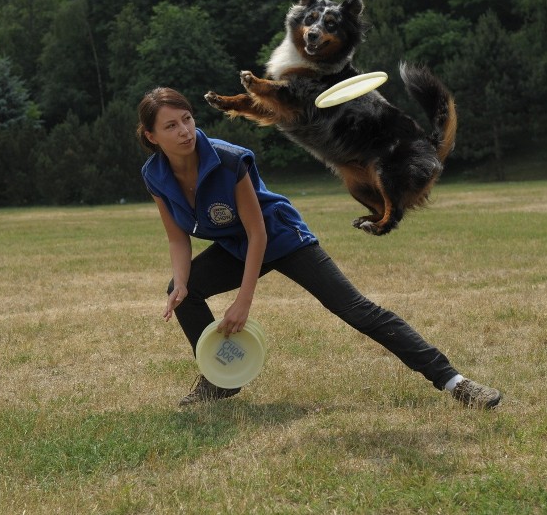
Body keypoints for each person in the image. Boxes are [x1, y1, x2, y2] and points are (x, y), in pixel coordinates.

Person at [137, 87, 502, 409]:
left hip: (280, 237)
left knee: (357, 310)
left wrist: (243, 302)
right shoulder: (155, 174)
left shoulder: (229, 158)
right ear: (151, 136)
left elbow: (258, 232)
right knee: (181, 293)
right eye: (171, 126)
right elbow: (176, 237)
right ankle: (221, 378)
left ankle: (456, 382)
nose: (184, 131)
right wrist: (182, 282)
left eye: (186, 119)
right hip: (235, 247)